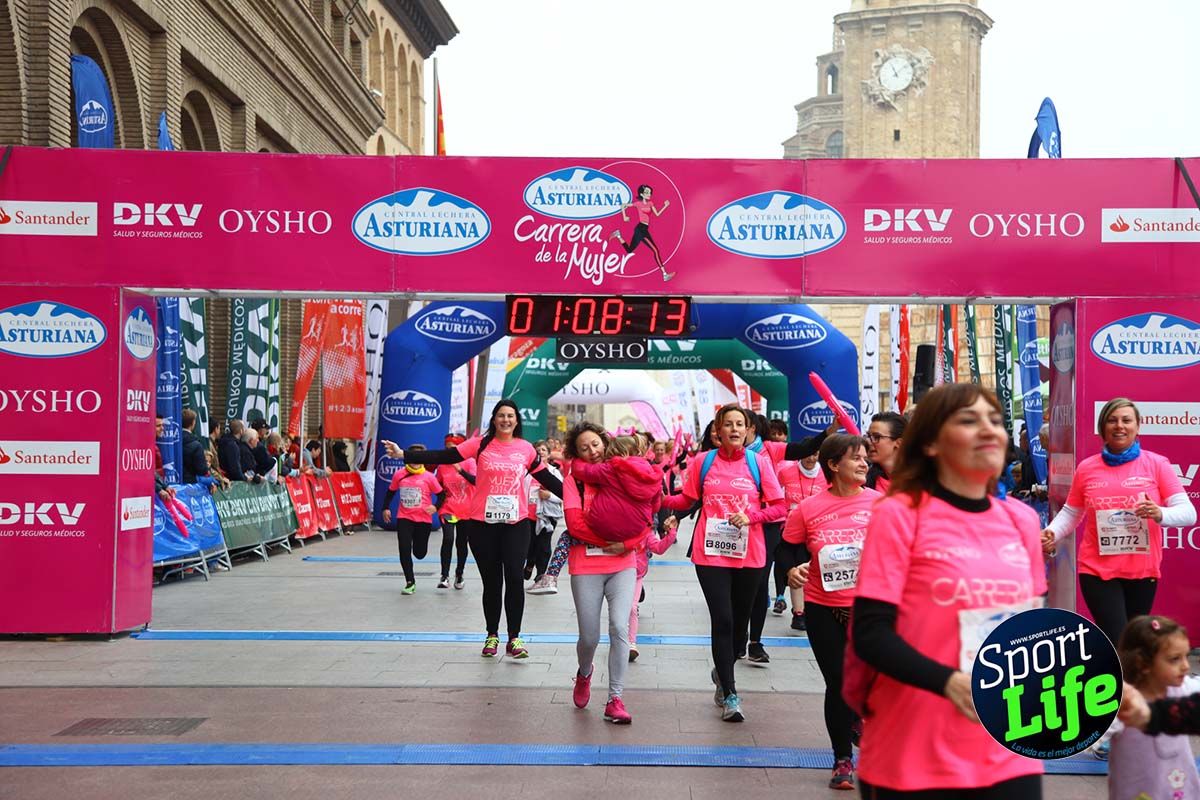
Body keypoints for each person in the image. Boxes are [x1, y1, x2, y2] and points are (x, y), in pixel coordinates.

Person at [851, 383, 1046, 797]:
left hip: (1010, 747)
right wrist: (950, 682)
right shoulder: (899, 515)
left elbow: (1033, 634)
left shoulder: (1023, 522)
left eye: (995, 420)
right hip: (914, 751)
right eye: (969, 420)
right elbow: (870, 635)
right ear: (932, 444)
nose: (990, 430)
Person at [383, 400, 562, 658]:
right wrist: (405, 455)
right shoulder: (481, 444)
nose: (506, 420)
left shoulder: (525, 449)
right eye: (501, 416)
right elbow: (446, 456)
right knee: (492, 583)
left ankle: (515, 638)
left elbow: (548, 480)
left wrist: (581, 496)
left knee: (513, 577)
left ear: (516, 420)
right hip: (482, 525)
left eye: (511, 416)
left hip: (516, 524)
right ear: (494, 419)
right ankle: (491, 635)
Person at [662, 404, 786, 722]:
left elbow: (779, 508)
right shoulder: (703, 462)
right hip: (711, 552)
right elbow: (686, 500)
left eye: (739, 424)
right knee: (723, 619)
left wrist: (751, 516)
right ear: (718, 430)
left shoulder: (758, 463)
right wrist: (653, 496)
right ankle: (730, 693)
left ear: (747, 430)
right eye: (727, 424)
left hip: (750, 554)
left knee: (739, 628)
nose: (733, 429)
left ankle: (723, 671)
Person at [1041, 398, 1194, 646]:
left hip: (1142, 570)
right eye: (1112, 420)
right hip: (1097, 570)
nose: (1119, 426)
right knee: (1117, 639)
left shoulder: (1156, 464)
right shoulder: (1087, 468)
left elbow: (1188, 513)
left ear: (1138, 426)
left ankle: (1126, 684)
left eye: (1126, 420)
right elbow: (1072, 512)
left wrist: (1159, 513)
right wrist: (1051, 532)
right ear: (1103, 428)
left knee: (1134, 643)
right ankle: (1118, 683)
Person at [780, 434, 879, 791]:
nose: (865, 463)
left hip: (870, 610)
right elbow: (787, 550)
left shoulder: (880, 504)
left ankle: (857, 716)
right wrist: (791, 570)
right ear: (834, 465)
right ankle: (841, 759)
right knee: (838, 683)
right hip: (824, 608)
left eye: (866, 458)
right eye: (856, 458)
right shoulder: (808, 509)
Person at [559, 421, 646, 724]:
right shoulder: (575, 481)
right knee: (589, 637)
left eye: (595, 444)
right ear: (576, 453)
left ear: (605, 442)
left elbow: (644, 514)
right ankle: (585, 673)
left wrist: (628, 544)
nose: (592, 451)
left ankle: (615, 698)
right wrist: (610, 542)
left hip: (623, 563)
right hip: (586, 565)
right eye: (584, 448)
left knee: (620, 628)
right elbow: (574, 525)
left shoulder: (623, 471)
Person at [1105, 615, 1199, 799]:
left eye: (1186, 657)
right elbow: (1088, 734)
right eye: (1174, 659)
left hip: (1183, 793)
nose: (1186, 666)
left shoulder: (1184, 690)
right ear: (1143, 664)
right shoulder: (1125, 705)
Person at [571, 434, 663, 543]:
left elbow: (583, 471)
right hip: (636, 529)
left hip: (603, 526)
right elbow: (655, 507)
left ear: (616, 453)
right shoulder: (652, 474)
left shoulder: (612, 468)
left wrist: (576, 458)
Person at [774, 451, 827, 630]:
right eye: (808, 454)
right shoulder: (786, 472)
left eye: (816, 455)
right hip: (791, 529)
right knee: (797, 568)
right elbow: (775, 497)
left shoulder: (826, 474)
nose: (811, 459)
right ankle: (799, 613)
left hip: (817, 530)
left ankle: (813, 608)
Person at [381, 444, 442, 595]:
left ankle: (418, 549)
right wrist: (385, 508)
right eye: (412, 457)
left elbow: (442, 495)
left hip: (423, 519)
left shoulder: (429, 477)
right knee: (404, 548)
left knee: (420, 553)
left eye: (418, 458)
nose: (415, 460)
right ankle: (410, 582)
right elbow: (390, 492)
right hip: (404, 517)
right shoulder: (399, 474)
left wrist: (436, 507)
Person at [628, 516, 677, 663]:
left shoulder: (646, 534)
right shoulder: (619, 528)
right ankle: (618, 640)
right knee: (618, 610)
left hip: (636, 575)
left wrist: (671, 533)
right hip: (617, 573)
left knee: (632, 607)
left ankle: (631, 643)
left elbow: (659, 548)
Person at [609, 183, 675, 282]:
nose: (649, 194)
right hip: (641, 229)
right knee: (655, 250)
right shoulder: (638, 204)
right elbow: (623, 205)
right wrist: (624, 216)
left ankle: (618, 235)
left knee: (630, 250)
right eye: (646, 192)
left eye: (650, 192)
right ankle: (664, 274)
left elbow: (657, 214)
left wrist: (665, 206)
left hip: (644, 229)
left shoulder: (650, 203)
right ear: (641, 194)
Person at [435, 434, 475, 590]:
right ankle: (444, 576)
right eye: (447, 447)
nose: (449, 450)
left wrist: (460, 470)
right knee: (448, 538)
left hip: (467, 510)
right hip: (448, 508)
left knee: (461, 543)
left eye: (453, 448)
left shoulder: (470, 462)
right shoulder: (442, 466)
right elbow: (437, 486)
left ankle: (459, 573)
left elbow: (476, 481)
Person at [524, 440, 563, 583]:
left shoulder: (554, 472)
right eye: (537, 450)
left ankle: (541, 574)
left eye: (543, 450)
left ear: (548, 454)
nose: (540, 452)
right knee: (530, 544)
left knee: (544, 546)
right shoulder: (527, 471)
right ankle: (529, 564)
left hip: (548, 515)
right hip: (528, 514)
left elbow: (563, 495)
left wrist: (549, 496)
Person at [865, 411, 905, 492]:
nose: (869, 442)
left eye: (877, 437)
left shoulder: (922, 479)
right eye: (869, 436)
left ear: (898, 443)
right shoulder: (865, 480)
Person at [180, 409, 210, 485]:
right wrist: (206, 467)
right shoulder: (196, 445)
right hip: (190, 483)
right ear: (193, 423)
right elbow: (201, 470)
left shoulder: (172, 441)